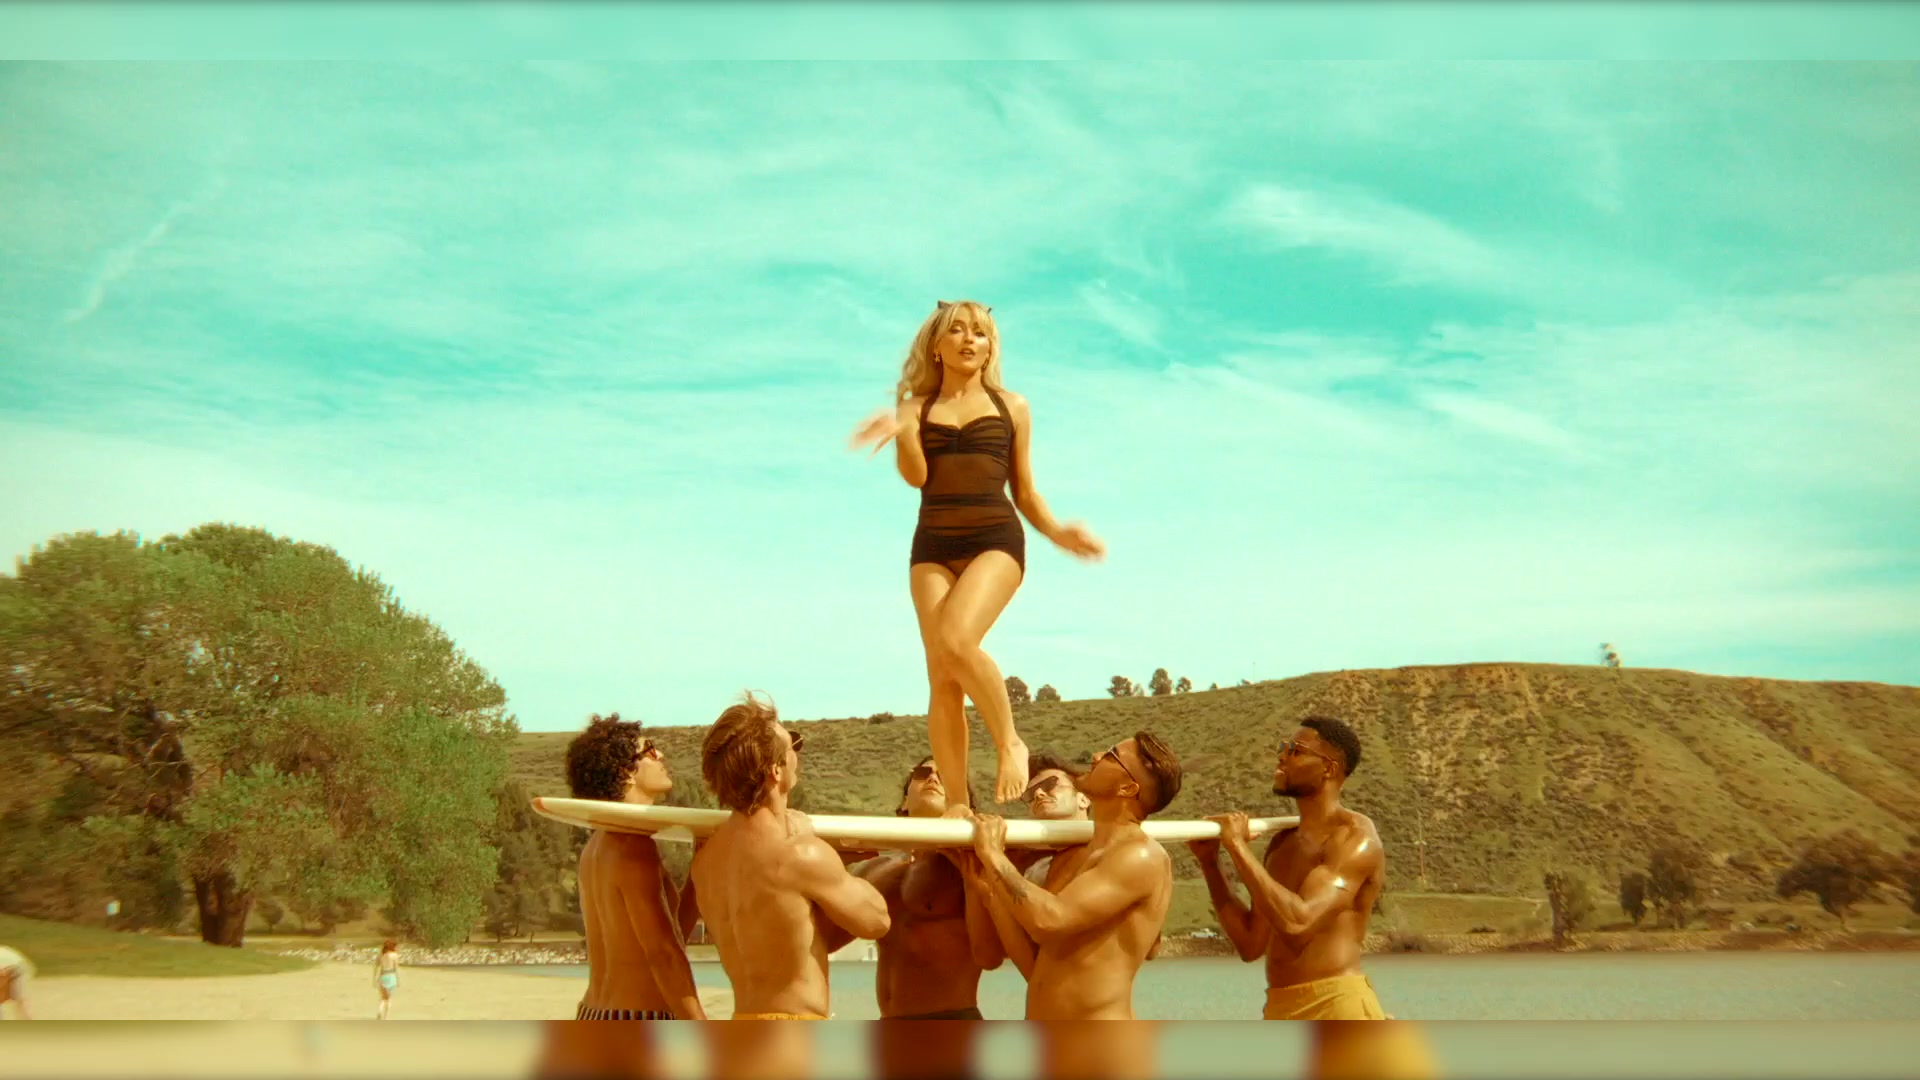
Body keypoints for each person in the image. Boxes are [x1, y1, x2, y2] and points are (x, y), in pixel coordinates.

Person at [849, 300, 1105, 807]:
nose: (970, 339)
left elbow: (1025, 490)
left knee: (956, 638)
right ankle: (958, 806)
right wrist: (903, 434)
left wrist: (1058, 533)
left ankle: (1010, 742)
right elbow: (917, 477)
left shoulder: (1013, 406)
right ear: (937, 346)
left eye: (980, 333)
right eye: (958, 331)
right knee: (942, 674)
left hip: (995, 540)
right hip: (933, 545)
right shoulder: (915, 409)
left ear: (990, 349)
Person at [1190, 715, 1435, 1078]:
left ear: (1329, 768)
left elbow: (1298, 923)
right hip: (1279, 1009)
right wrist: (1210, 862)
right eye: (1283, 747)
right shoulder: (1282, 844)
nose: (1282, 756)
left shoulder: (1355, 838)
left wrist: (1237, 847)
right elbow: (1250, 943)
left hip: (1337, 1007)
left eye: (1295, 750)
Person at [689, 693, 890, 1021]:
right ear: (776, 771)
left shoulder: (706, 862)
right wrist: (865, 868)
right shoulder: (799, 853)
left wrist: (829, 868)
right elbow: (877, 921)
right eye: (792, 745)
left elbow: (791, 931)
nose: (797, 754)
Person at [956, 732, 1180, 1020]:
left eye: (1111, 755)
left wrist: (993, 855)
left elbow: (1050, 920)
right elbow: (1037, 967)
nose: (1096, 756)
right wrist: (991, 892)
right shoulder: (1071, 860)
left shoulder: (1140, 856)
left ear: (1127, 788)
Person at [565, 712, 706, 1021]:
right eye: (650, 750)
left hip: (594, 1013)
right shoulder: (633, 846)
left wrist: (700, 868)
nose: (661, 755)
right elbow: (663, 954)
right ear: (626, 772)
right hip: (637, 1016)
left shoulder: (597, 845)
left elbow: (670, 935)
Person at [0, 945, 33, 1020]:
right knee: (20, 1001)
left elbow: (3, 972)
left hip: (12, 968)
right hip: (20, 965)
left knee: (20, 1002)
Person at [372, 940, 400, 1019]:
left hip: (382, 977)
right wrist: (398, 980)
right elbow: (396, 969)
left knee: (383, 998)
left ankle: (380, 1010)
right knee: (389, 999)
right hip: (391, 977)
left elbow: (376, 967)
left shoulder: (381, 955)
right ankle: (386, 1017)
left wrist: (374, 979)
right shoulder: (394, 955)